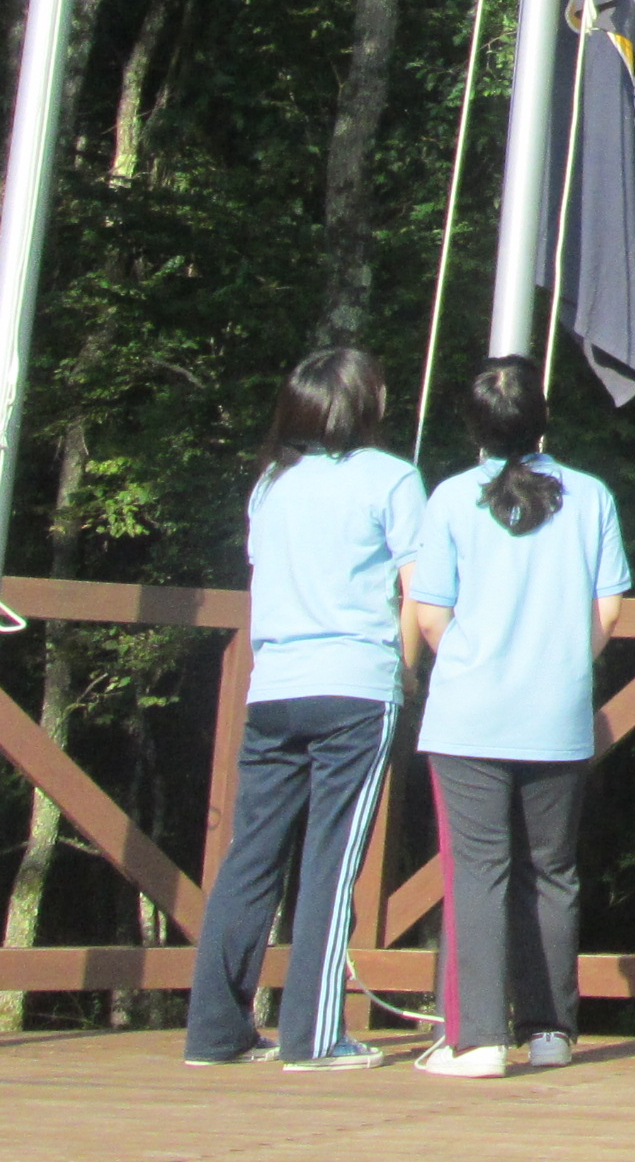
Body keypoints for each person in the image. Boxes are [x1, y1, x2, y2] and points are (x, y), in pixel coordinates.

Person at [184, 348, 424, 1070]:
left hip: (275, 683)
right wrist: (405, 672)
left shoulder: (272, 483)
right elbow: (417, 589)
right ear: (363, 405)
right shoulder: (392, 478)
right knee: (332, 860)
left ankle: (214, 1031)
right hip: (353, 680)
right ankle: (314, 1036)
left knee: (251, 856)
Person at [405, 357, 632, 1080]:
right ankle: (550, 1030)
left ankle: (476, 1038)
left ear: (474, 428)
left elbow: (431, 614)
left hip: (469, 713)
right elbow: (608, 612)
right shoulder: (590, 497)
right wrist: (563, 660)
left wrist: (474, 659)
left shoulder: (448, 500)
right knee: (553, 872)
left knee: (477, 870)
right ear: (544, 420)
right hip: (557, 710)